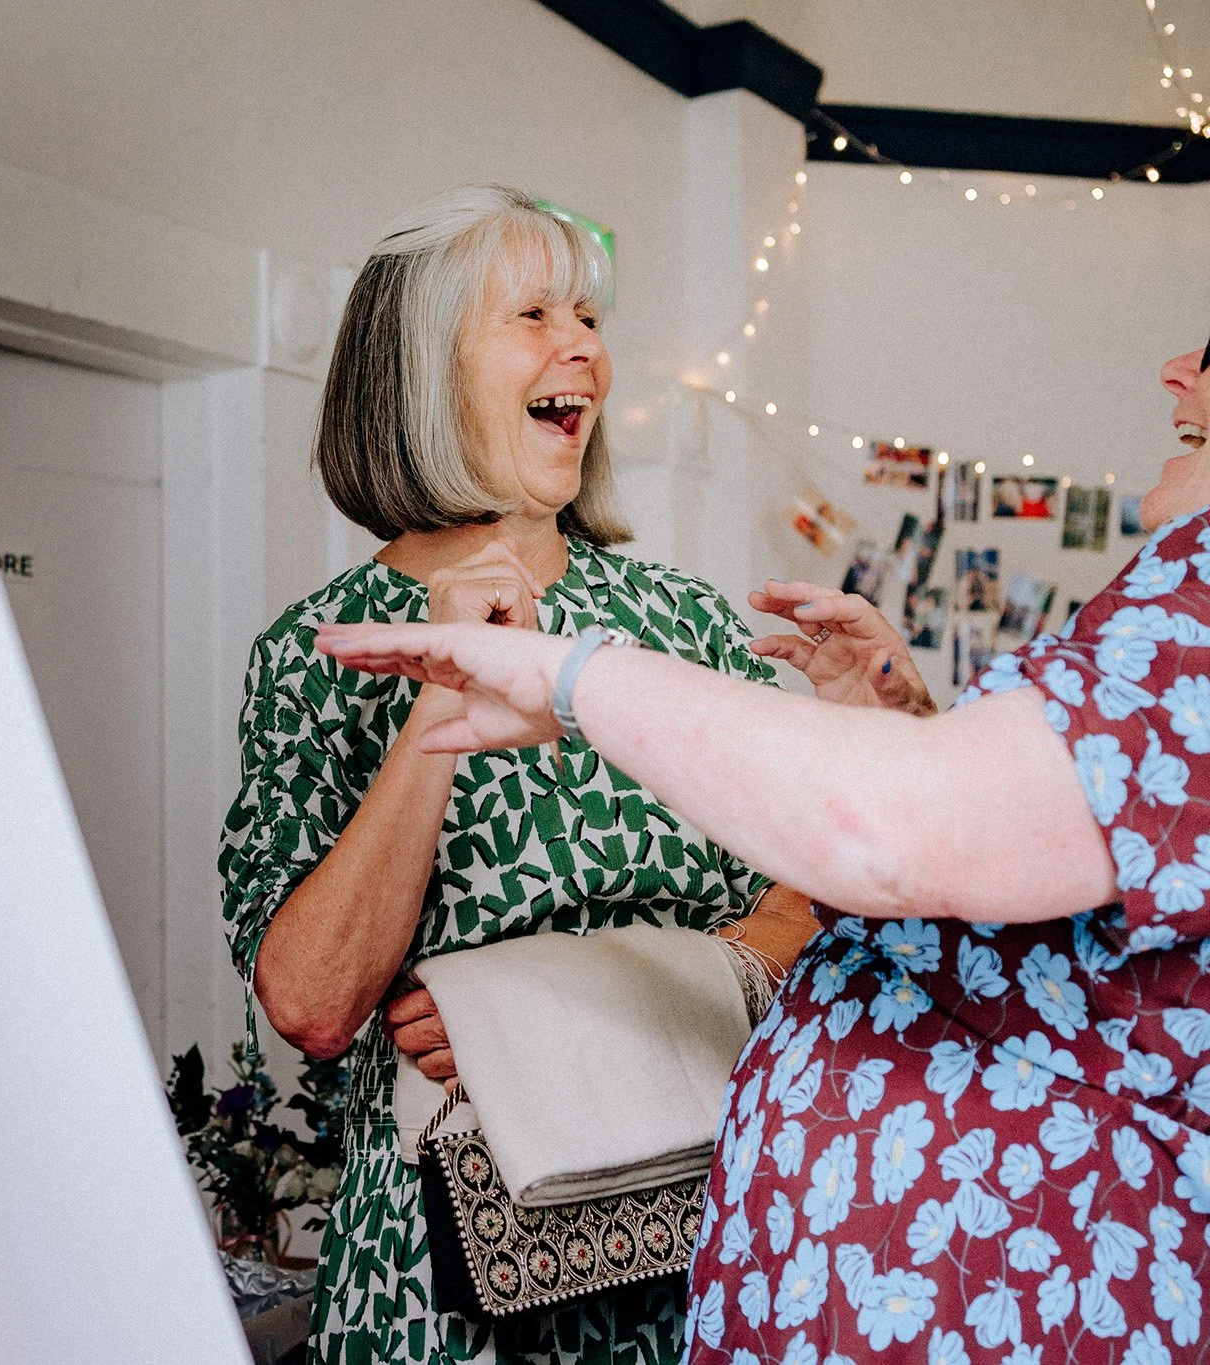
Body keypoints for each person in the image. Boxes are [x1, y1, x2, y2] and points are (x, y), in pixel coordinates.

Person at [314, 202, 1210, 1362]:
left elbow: (886, 834)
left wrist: (574, 677)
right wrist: (895, 728)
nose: (1176, 372)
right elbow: (1057, 923)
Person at [218, 184, 836, 1365]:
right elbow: (311, 1004)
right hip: (447, 1289)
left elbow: (821, 889)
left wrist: (554, 1012)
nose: (583, 347)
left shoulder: (682, 624)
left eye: (587, 316)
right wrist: (443, 696)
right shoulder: (320, 655)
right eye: (534, 314)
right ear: (420, 367)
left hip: (702, 1242)